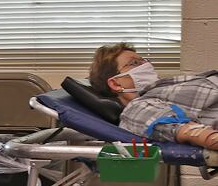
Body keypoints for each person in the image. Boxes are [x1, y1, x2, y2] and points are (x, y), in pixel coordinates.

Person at [89, 42, 218, 150]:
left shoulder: (161, 91)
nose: (146, 66)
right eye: (134, 63)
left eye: (144, 61)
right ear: (116, 83)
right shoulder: (136, 108)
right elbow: (190, 132)